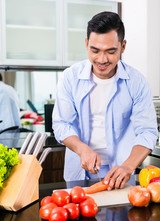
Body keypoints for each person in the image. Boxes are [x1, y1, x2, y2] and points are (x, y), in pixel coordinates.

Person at [52, 11, 158, 190]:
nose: (102, 60)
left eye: (111, 51)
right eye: (95, 50)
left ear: (123, 47)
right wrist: (81, 149)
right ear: (86, 44)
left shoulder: (137, 82)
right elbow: (62, 124)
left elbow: (147, 131)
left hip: (121, 174)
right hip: (78, 173)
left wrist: (128, 166)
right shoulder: (69, 78)